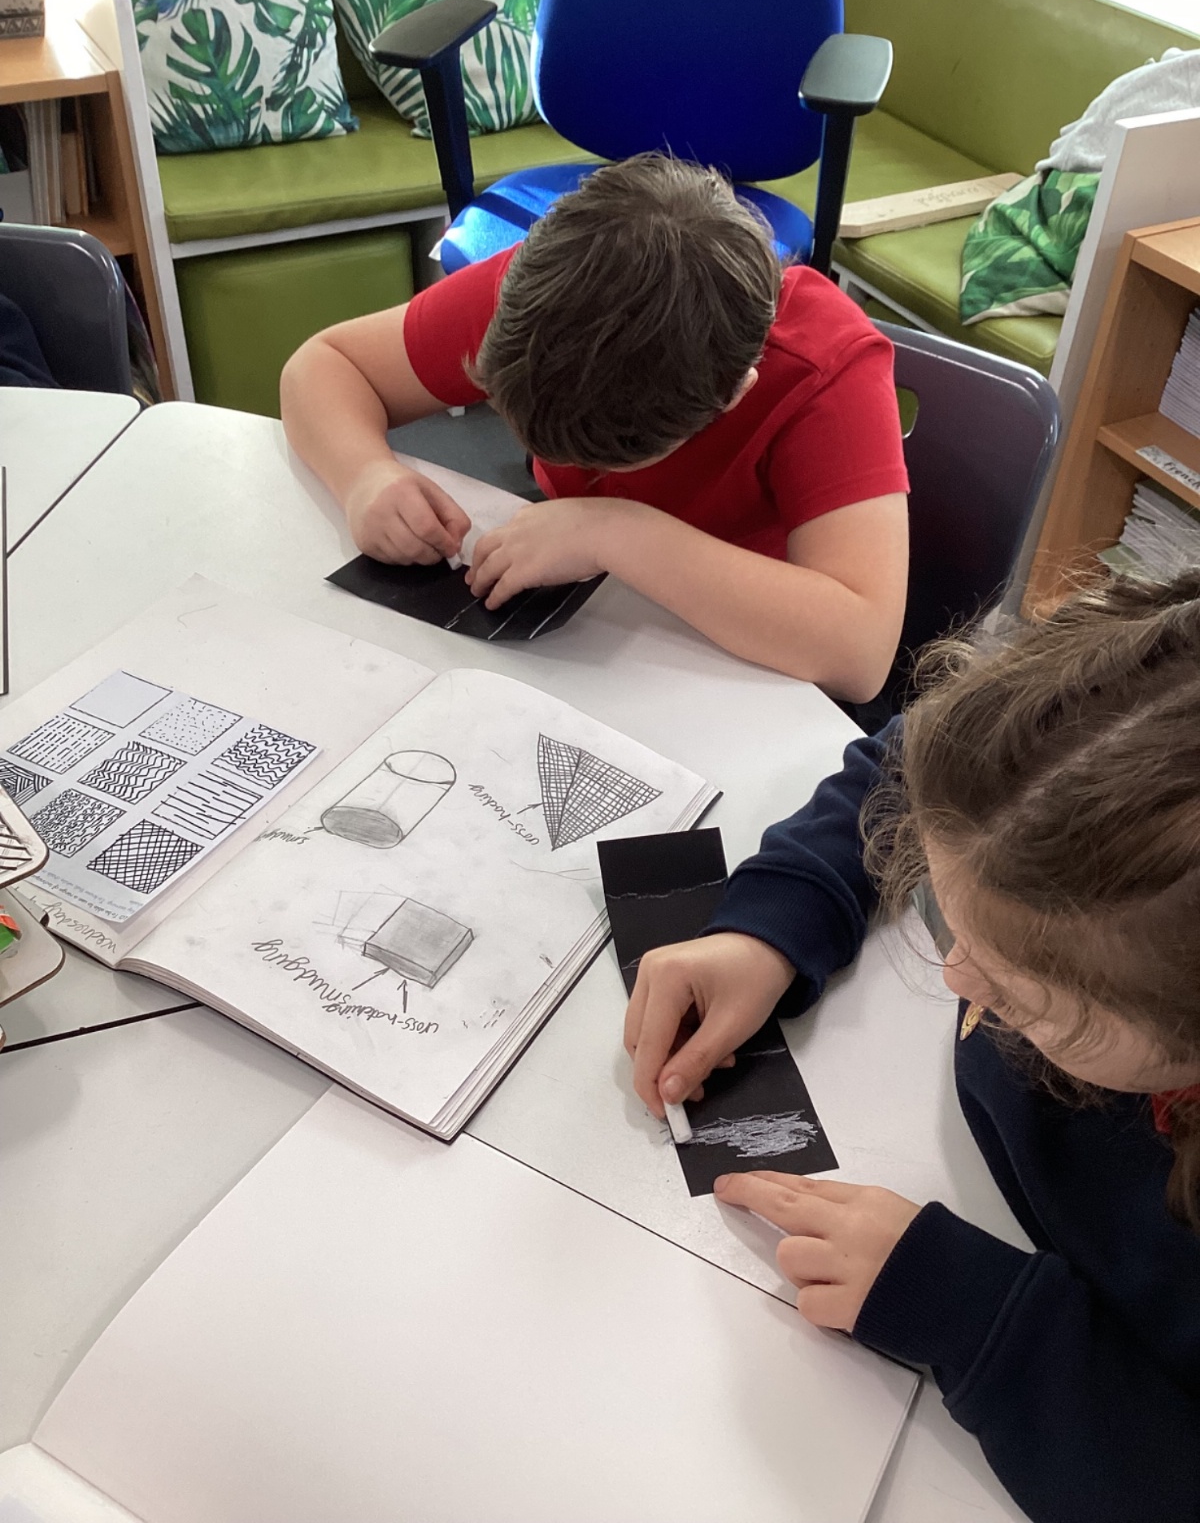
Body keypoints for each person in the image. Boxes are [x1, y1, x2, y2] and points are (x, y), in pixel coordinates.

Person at [624, 570, 1200, 1523]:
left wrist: (979, 1316)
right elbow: (931, 770)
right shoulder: (1090, 747)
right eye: (945, 909)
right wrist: (778, 921)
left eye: (1018, 992)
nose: (956, 977)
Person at [280, 153, 909, 699]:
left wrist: (615, 532)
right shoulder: (552, 294)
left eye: (611, 460)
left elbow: (860, 654)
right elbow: (326, 364)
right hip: (592, 627)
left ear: (733, 394)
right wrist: (364, 475)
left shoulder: (826, 369)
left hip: (743, 657)